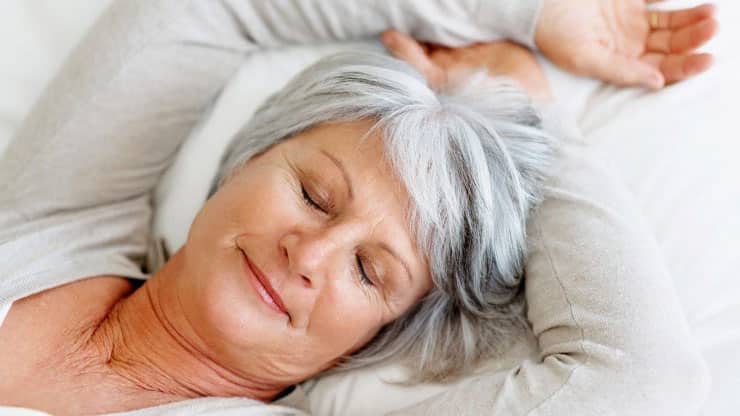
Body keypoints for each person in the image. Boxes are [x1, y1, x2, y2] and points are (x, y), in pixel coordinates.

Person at [0, 1, 716, 415]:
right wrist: (528, 14)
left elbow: (644, 379)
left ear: (372, 337)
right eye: (313, 195)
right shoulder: (60, 220)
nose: (309, 256)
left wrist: (534, 113)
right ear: (248, 158)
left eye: (370, 273)